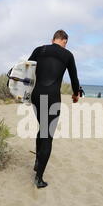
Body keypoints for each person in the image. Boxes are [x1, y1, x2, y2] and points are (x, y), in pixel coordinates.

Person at [28, 30, 81, 189]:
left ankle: (38, 161)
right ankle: (39, 178)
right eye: (65, 42)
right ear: (64, 41)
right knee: (48, 135)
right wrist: (75, 94)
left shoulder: (40, 50)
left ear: (53, 39)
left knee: (42, 128)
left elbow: (26, 69)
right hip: (52, 97)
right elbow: (74, 78)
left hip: (36, 96)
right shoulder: (68, 55)